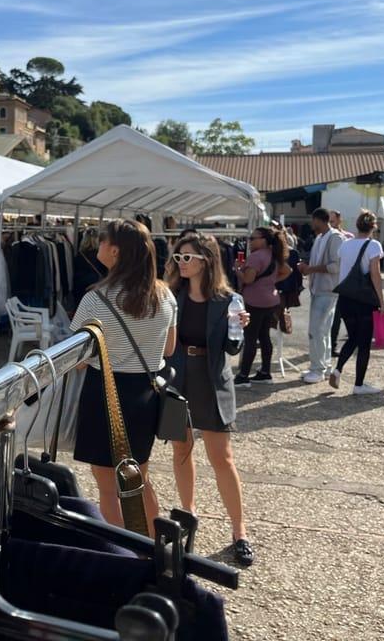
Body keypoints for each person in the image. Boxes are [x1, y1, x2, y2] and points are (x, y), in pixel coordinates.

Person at [70, 219, 177, 531]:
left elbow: (76, 359)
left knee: (107, 485)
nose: (98, 245)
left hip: (104, 392)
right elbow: (168, 349)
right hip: (145, 392)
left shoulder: (96, 299)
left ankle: (121, 553)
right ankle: (154, 544)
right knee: (139, 477)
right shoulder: (165, 295)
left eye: (102, 241)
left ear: (115, 251)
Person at [165, 233, 254, 566]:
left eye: (187, 258)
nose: (181, 263)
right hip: (177, 376)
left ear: (206, 260)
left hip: (212, 378)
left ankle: (239, 530)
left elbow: (233, 349)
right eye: (178, 258)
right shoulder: (171, 295)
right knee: (181, 448)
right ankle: (187, 514)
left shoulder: (228, 300)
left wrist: (239, 327)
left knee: (223, 458)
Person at [328, 211, 384, 395]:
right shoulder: (373, 245)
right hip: (364, 301)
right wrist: (382, 302)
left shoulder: (345, 244)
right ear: (373, 226)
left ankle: (337, 370)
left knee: (353, 337)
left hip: (345, 298)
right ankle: (358, 385)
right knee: (364, 343)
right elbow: (375, 274)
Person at [234, 226, 291, 385]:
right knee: (264, 336)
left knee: (250, 338)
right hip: (270, 301)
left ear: (264, 240)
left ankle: (243, 375)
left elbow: (248, 280)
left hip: (254, 301)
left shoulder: (255, 257)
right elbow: (288, 271)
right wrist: (271, 282)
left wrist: (237, 269)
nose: (250, 242)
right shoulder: (274, 255)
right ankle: (265, 372)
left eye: (253, 239)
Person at [298, 209, 344, 383]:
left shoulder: (335, 238)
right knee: (323, 331)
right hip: (318, 289)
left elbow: (335, 266)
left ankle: (318, 369)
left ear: (319, 220)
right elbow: (320, 263)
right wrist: (307, 266)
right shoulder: (320, 238)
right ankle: (322, 367)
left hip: (328, 290)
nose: (311, 224)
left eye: (313, 220)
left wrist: (311, 269)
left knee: (317, 330)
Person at [329, 210, 354, 356]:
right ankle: (331, 346)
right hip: (332, 283)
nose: (331, 224)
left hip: (345, 282)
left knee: (345, 315)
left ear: (339, 220)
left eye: (332, 221)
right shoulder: (324, 237)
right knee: (334, 317)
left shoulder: (348, 237)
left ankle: (348, 341)